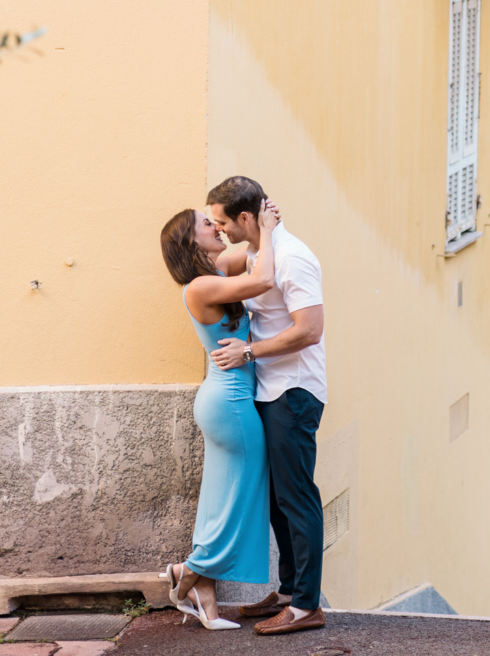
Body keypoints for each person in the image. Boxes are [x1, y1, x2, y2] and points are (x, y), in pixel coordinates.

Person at [207, 176, 327, 638]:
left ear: (243, 217)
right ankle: (287, 591)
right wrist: (264, 232)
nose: (217, 230)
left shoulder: (293, 258)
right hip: (271, 389)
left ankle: (306, 606)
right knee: (279, 500)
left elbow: (310, 329)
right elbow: (224, 259)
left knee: (297, 497)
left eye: (222, 222)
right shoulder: (262, 251)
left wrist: (249, 353)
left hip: (294, 391)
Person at [158, 203, 278, 631]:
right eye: (206, 224)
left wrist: (254, 226)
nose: (215, 227)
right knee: (243, 495)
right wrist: (263, 227)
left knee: (219, 497)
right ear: (192, 240)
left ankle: (203, 591)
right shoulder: (201, 287)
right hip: (230, 402)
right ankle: (187, 571)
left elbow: (249, 254)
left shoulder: (214, 273)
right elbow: (263, 277)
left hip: (225, 400)